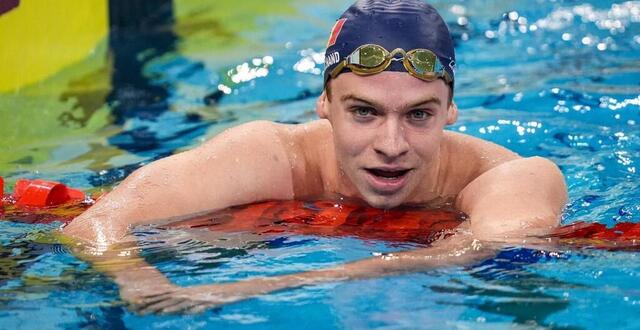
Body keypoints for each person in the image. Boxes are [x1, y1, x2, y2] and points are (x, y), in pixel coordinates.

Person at [62, 0, 567, 314]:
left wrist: (259, 287)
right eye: (364, 112)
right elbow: (94, 225)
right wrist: (143, 284)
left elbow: (484, 250)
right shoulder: (268, 153)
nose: (391, 145)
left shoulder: (515, 176)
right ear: (325, 104)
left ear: (452, 110)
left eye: (418, 115)